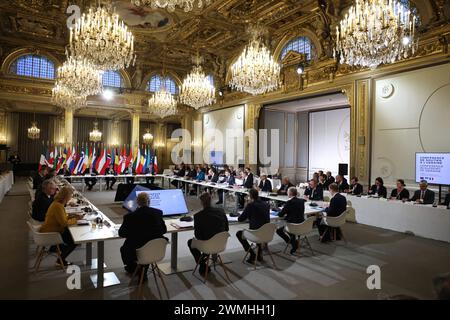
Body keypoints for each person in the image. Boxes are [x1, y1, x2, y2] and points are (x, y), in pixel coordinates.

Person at [118, 192, 167, 276]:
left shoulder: (129, 217)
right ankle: (142, 269)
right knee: (147, 242)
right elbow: (163, 230)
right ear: (149, 201)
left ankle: (133, 268)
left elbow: (122, 233)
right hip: (156, 249)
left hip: (137, 249)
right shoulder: (158, 213)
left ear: (137, 202)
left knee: (124, 249)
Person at [187, 193, 229, 276]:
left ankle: (202, 265)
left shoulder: (198, 215)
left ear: (201, 202)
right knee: (210, 240)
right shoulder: (221, 211)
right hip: (221, 244)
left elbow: (198, 236)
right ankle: (205, 258)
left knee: (190, 242)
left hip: (207, 245)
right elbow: (226, 229)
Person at [40, 187, 80, 266]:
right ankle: (60, 260)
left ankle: (58, 252)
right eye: (70, 196)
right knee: (74, 240)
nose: (70, 198)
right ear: (66, 196)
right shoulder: (58, 206)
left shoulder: (57, 203)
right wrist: (76, 220)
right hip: (52, 232)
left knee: (71, 238)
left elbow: (62, 218)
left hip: (51, 229)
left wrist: (72, 216)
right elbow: (64, 223)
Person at [236, 189, 270, 263]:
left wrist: (246, 206)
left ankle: (252, 254)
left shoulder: (251, 205)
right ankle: (259, 255)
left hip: (255, 233)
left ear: (250, 196)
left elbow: (240, 219)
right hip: (266, 233)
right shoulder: (266, 204)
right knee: (259, 228)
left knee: (239, 233)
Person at [276, 187, 305, 254]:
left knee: (279, 230)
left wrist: (279, 210)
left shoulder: (289, 202)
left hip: (292, 225)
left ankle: (292, 242)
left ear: (290, 193)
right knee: (290, 230)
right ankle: (293, 242)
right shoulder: (301, 201)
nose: (287, 193)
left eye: (287, 192)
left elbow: (280, 214)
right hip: (302, 224)